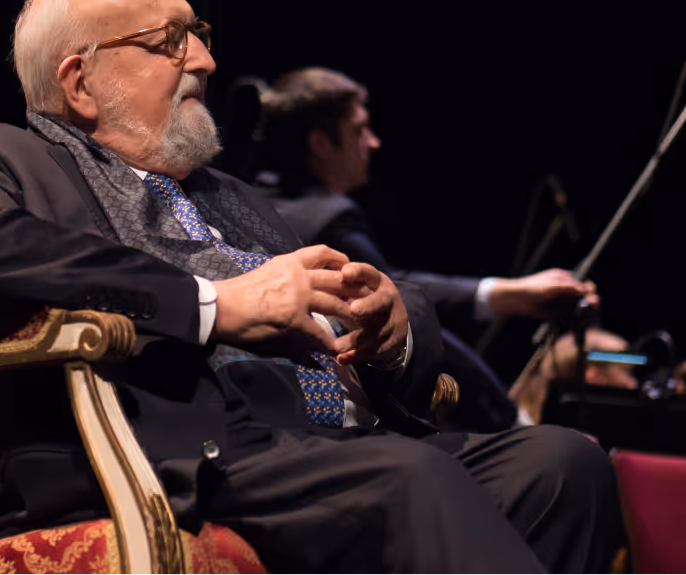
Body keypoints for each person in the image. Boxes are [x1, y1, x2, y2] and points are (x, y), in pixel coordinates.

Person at [0, 0, 621, 575]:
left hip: (335, 444)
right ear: (81, 82)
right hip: (180, 452)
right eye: (170, 41)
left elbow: (356, 292)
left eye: (199, 34)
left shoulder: (229, 193)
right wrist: (216, 303)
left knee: (564, 464)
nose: (204, 60)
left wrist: (392, 320)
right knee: (407, 476)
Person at [250, 67, 636, 428]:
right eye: (359, 130)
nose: (373, 142)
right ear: (320, 143)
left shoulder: (250, 202)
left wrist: (508, 295)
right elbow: (403, 302)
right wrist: (508, 416)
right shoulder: (327, 218)